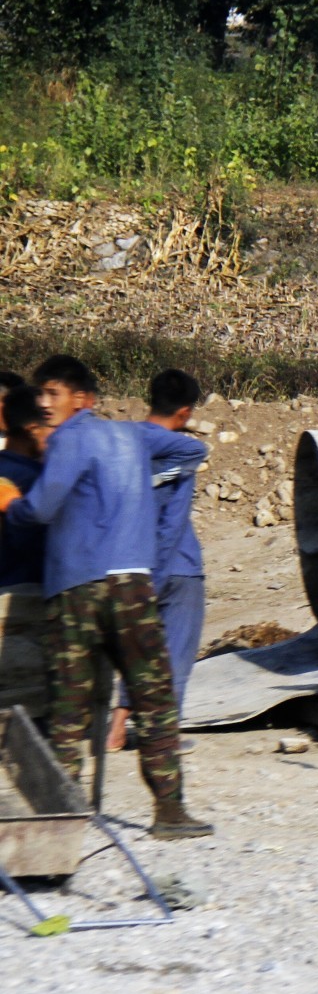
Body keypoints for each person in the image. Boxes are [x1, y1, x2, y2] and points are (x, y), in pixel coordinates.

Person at [0, 356, 208, 838]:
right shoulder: (134, 435)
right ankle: (170, 811)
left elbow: (44, 506)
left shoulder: (71, 438)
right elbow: (189, 454)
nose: (44, 403)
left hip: (77, 588)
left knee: (68, 708)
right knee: (154, 698)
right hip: (134, 583)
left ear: (82, 399)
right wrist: (141, 484)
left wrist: (15, 507)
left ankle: (59, 819)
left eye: (53, 394)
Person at [107, 369, 210, 750]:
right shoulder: (182, 451)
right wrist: (160, 571)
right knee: (176, 651)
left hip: (128, 564)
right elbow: (174, 519)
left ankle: (116, 729)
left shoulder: (122, 440)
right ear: (184, 412)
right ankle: (163, 734)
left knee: (138, 647)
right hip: (178, 566)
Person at [0, 385, 48, 589]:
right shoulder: (30, 478)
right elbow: (33, 544)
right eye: (52, 428)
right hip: (19, 590)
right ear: (33, 431)